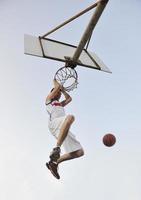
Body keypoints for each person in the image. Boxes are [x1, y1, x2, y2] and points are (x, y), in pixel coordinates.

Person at [45, 79, 84, 179]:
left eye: (59, 94)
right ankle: (57, 148)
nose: (59, 94)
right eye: (57, 92)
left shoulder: (60, 104)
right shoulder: (49, 101)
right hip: (54, 123)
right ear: (52, 93)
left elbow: (69, 98)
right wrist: (56, 83)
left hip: (62, 126)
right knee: (70, 118)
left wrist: (62, 90)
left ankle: (54, 163)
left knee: (79, 152)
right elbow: (55, 84)